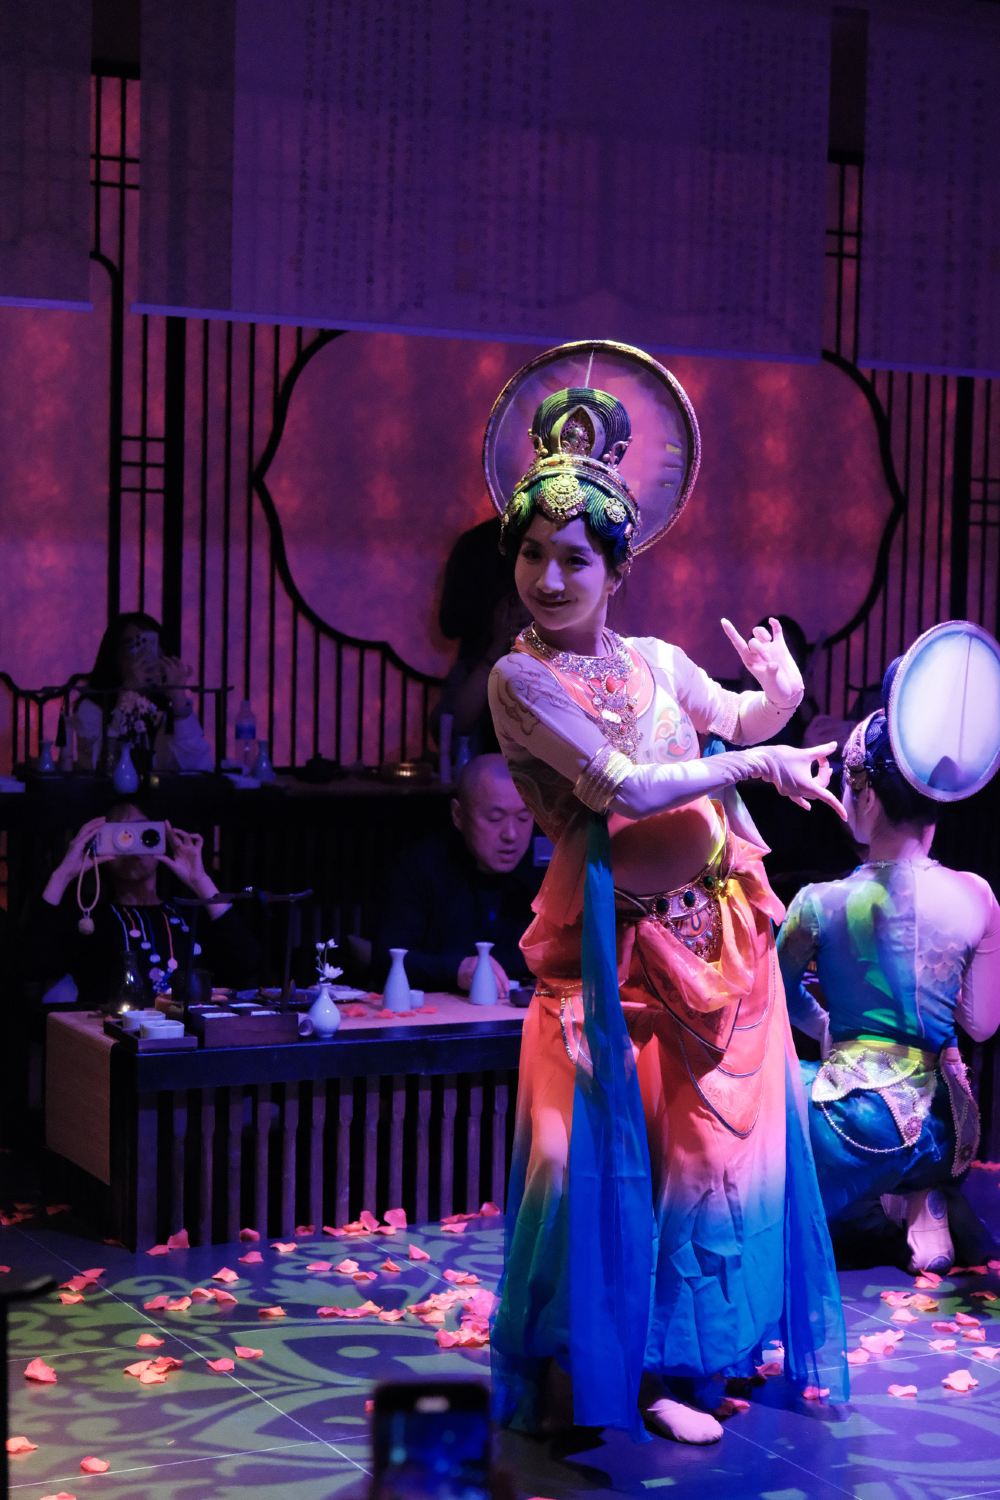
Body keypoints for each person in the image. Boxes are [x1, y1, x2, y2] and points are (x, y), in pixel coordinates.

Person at [483, 357, 848, 1446]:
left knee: (705, 1160)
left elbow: (735, 716)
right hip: (608, 950)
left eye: (574, 559)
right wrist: (756, 763)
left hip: (714, 930)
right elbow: (622, 787)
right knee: (580, 1159)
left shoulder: (653, 659)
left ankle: (672, 1366)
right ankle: (575, 1361)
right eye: (534, 555)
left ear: (616, 570)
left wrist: (778, 696)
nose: (550, 578)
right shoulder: (521, 680)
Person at [777, 706, 1000, 1273]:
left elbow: (772, 996)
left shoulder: (819, 903)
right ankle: (922, 1195)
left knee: (770, 1092)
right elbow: (981, 1025)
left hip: (856, 1125)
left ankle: (878, 1199)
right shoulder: (977, 895)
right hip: (952, 1129)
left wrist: (827, 1028)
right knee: (925, 1122)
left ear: (868, 797)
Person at [25, 801, 260, 1009]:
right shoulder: (89, 920)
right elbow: (33, 965)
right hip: (113, 1037)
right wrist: (63, 875)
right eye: (119, 835)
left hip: (188, 1035)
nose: (131, 845)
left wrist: (200, 881)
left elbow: (247, 965)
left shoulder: (189, 912)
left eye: (143, 833)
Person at [372, 755, 541, 997]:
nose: (511, 834)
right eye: (495, 818)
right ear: (459, 815)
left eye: (524, 818)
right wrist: (457, 969)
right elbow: (386, 960)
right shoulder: (421, 867)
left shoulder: (545, 870)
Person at [74, 612, 213, 773]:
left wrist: (178, 698)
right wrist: (127, 695)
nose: (145, 657)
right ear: (115, 656)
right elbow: (105, 766)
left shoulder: (168, 703)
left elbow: (200, 767)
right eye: (134, 646)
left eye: (152, 646)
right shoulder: (93, 706)